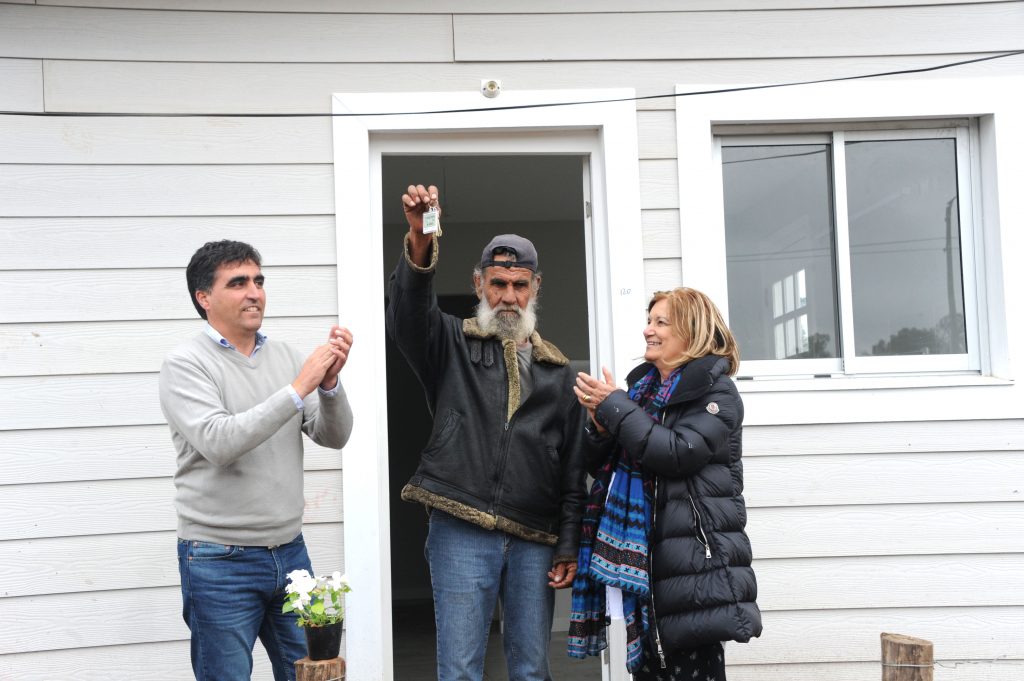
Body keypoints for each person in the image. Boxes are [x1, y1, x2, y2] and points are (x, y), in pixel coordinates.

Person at [386, 184, 592, 681]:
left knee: (531, 670)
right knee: (459, 671)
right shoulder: (449, 343)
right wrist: (421, 238)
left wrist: (567, 543)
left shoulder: (560, 373)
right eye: (498, 283)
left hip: (533, 536)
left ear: (535, 288)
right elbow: (408, 315)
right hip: (459, 527)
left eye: (519, 285)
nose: (508, 297)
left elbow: (572, 472)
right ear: (478, 284)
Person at [159, 240, 354, 681]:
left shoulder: (285, 356)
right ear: (203, 297)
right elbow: (220, 441)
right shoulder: (185, 364)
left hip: (291, 552)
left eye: (258, 281)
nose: (254, 292)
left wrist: (328, 386)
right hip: (218, 560)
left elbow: (335, 435)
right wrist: (298, 388)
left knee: (316, 674)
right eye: (238, 283)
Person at [567, 287, 762, 680]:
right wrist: (601, 427)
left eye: (660, 322)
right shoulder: (641, 391)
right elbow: (600, 463)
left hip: (694, 566)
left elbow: (676, 452)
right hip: (649, 563)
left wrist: (616, 406)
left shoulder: (717, 393)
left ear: (690, 331)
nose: (647, 330)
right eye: (648, 320)